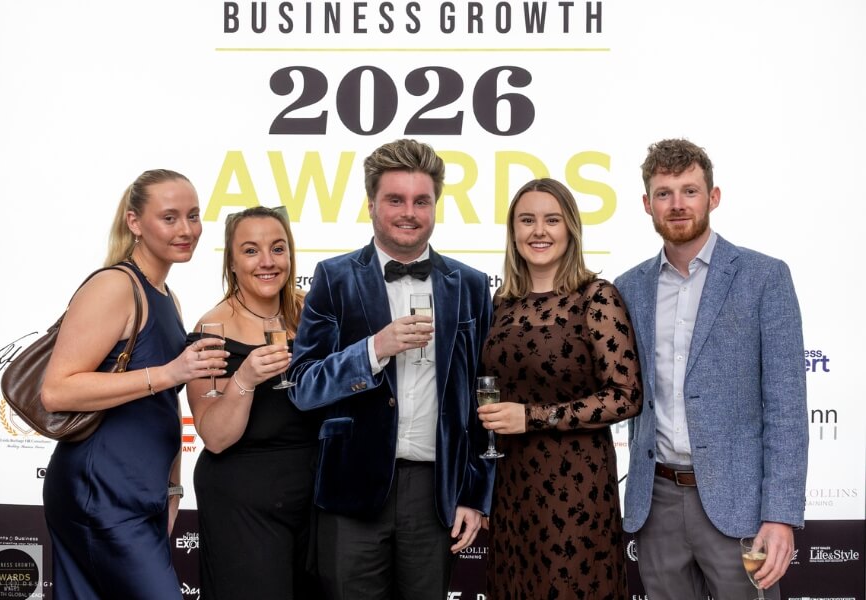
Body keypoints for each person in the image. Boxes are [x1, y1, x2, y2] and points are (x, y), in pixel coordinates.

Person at [288, 138, 494, 600]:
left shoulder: (471, 286)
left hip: (435, 493)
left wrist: (474, 494)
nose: (409, 213)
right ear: (371, 205)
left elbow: (484, 399)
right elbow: (303, 386)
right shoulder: (334, 277)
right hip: (352, 490)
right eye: (395, 200)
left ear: (435, 206)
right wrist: (373, 350)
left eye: (421, 201)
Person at [614, 139, 808, 599]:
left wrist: (779, 514)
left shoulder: (764, 277)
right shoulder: (628, 288)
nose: (677, 204)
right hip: (656, 502)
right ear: (647, 204)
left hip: (741, 506)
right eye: (664, 193)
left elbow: (787, 407)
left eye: (690, 191)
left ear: (713, 197)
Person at [40, 169, 228, 599]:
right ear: (135, 222)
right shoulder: (115, 285)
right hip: (100, 491)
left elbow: (164, 404)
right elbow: (57, 390)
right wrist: (169, 373)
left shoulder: (167, 296)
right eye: (170, 218)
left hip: (141, 492)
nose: (187, 230)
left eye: (194, 216)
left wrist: (172, 487)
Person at [477, 178, 643, 599]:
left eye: (552, 220)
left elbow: (626, 395)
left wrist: (531, 417)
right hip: (511, 488)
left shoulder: (596, 298)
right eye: (527, 220)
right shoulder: (501, 304)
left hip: (576, 490)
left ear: (570, 228)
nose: (539, 231)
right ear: (513, 231)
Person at [186, 206, 323, 600]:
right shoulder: (211, 330)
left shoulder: (313, 314)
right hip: (243, 501)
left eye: (277, 249)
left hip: (315, 498)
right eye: (250, 250)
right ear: (231, 261)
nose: (267, 261)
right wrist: (244, 379)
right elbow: (215, 437)